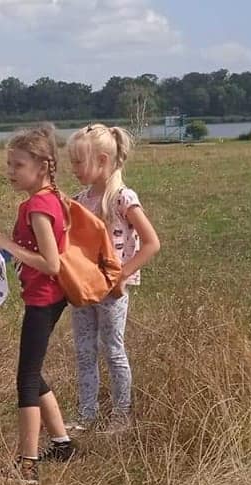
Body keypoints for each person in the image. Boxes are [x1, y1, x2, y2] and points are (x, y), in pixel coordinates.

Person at [0, 124, 79, 484]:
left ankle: (27, 465)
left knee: (26, 379)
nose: (11, 171)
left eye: (18, 165)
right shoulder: (47, 198)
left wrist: (8, 245)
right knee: (33, 370)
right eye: (9, 164)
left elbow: (51, 263)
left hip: (44, 298)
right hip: (46, 297)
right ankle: (62, 444)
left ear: (42, 167)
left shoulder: (39, 206)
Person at [66, 124, 162, 432]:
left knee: (112, 350)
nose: (73, 168)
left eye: (79, 161)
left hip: (112, 293)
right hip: (84, 289)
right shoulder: (78, 201)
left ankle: (121, 416)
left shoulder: (122, 198)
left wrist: (123, 275)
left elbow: (152, 243)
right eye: (72, 161)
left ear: (102, 160)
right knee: (84, 351)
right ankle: (87, 414)